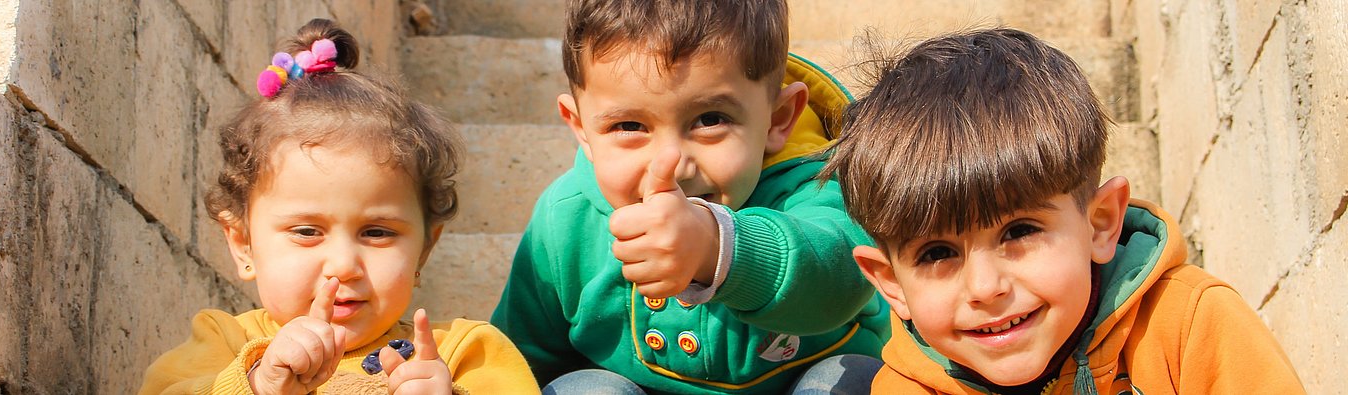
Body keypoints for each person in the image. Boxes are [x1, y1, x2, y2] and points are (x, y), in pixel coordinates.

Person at [822, 27, 1305, 394]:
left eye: (1019, 231)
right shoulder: (908, 387)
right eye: (936, 253)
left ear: (1100, 224)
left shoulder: (1189, 325)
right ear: (890, 284)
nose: (986, 287)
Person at [490, 1, 891, 393]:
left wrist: (717, 247)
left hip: (802, 382)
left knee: (852, 377)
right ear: (581, 129)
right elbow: (523, 355)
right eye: (629, 125)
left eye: (710, 120)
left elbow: (839, 280)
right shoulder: (565, 217)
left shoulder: (822, 187)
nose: (673, 164)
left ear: (778, 119)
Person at [139, 18, 537, 395]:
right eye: (307, 231)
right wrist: (258, 384)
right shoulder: (223, 345)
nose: (344, 264)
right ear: (243, 244)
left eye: (377, 232)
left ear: (425, 248)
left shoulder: (466, 354)